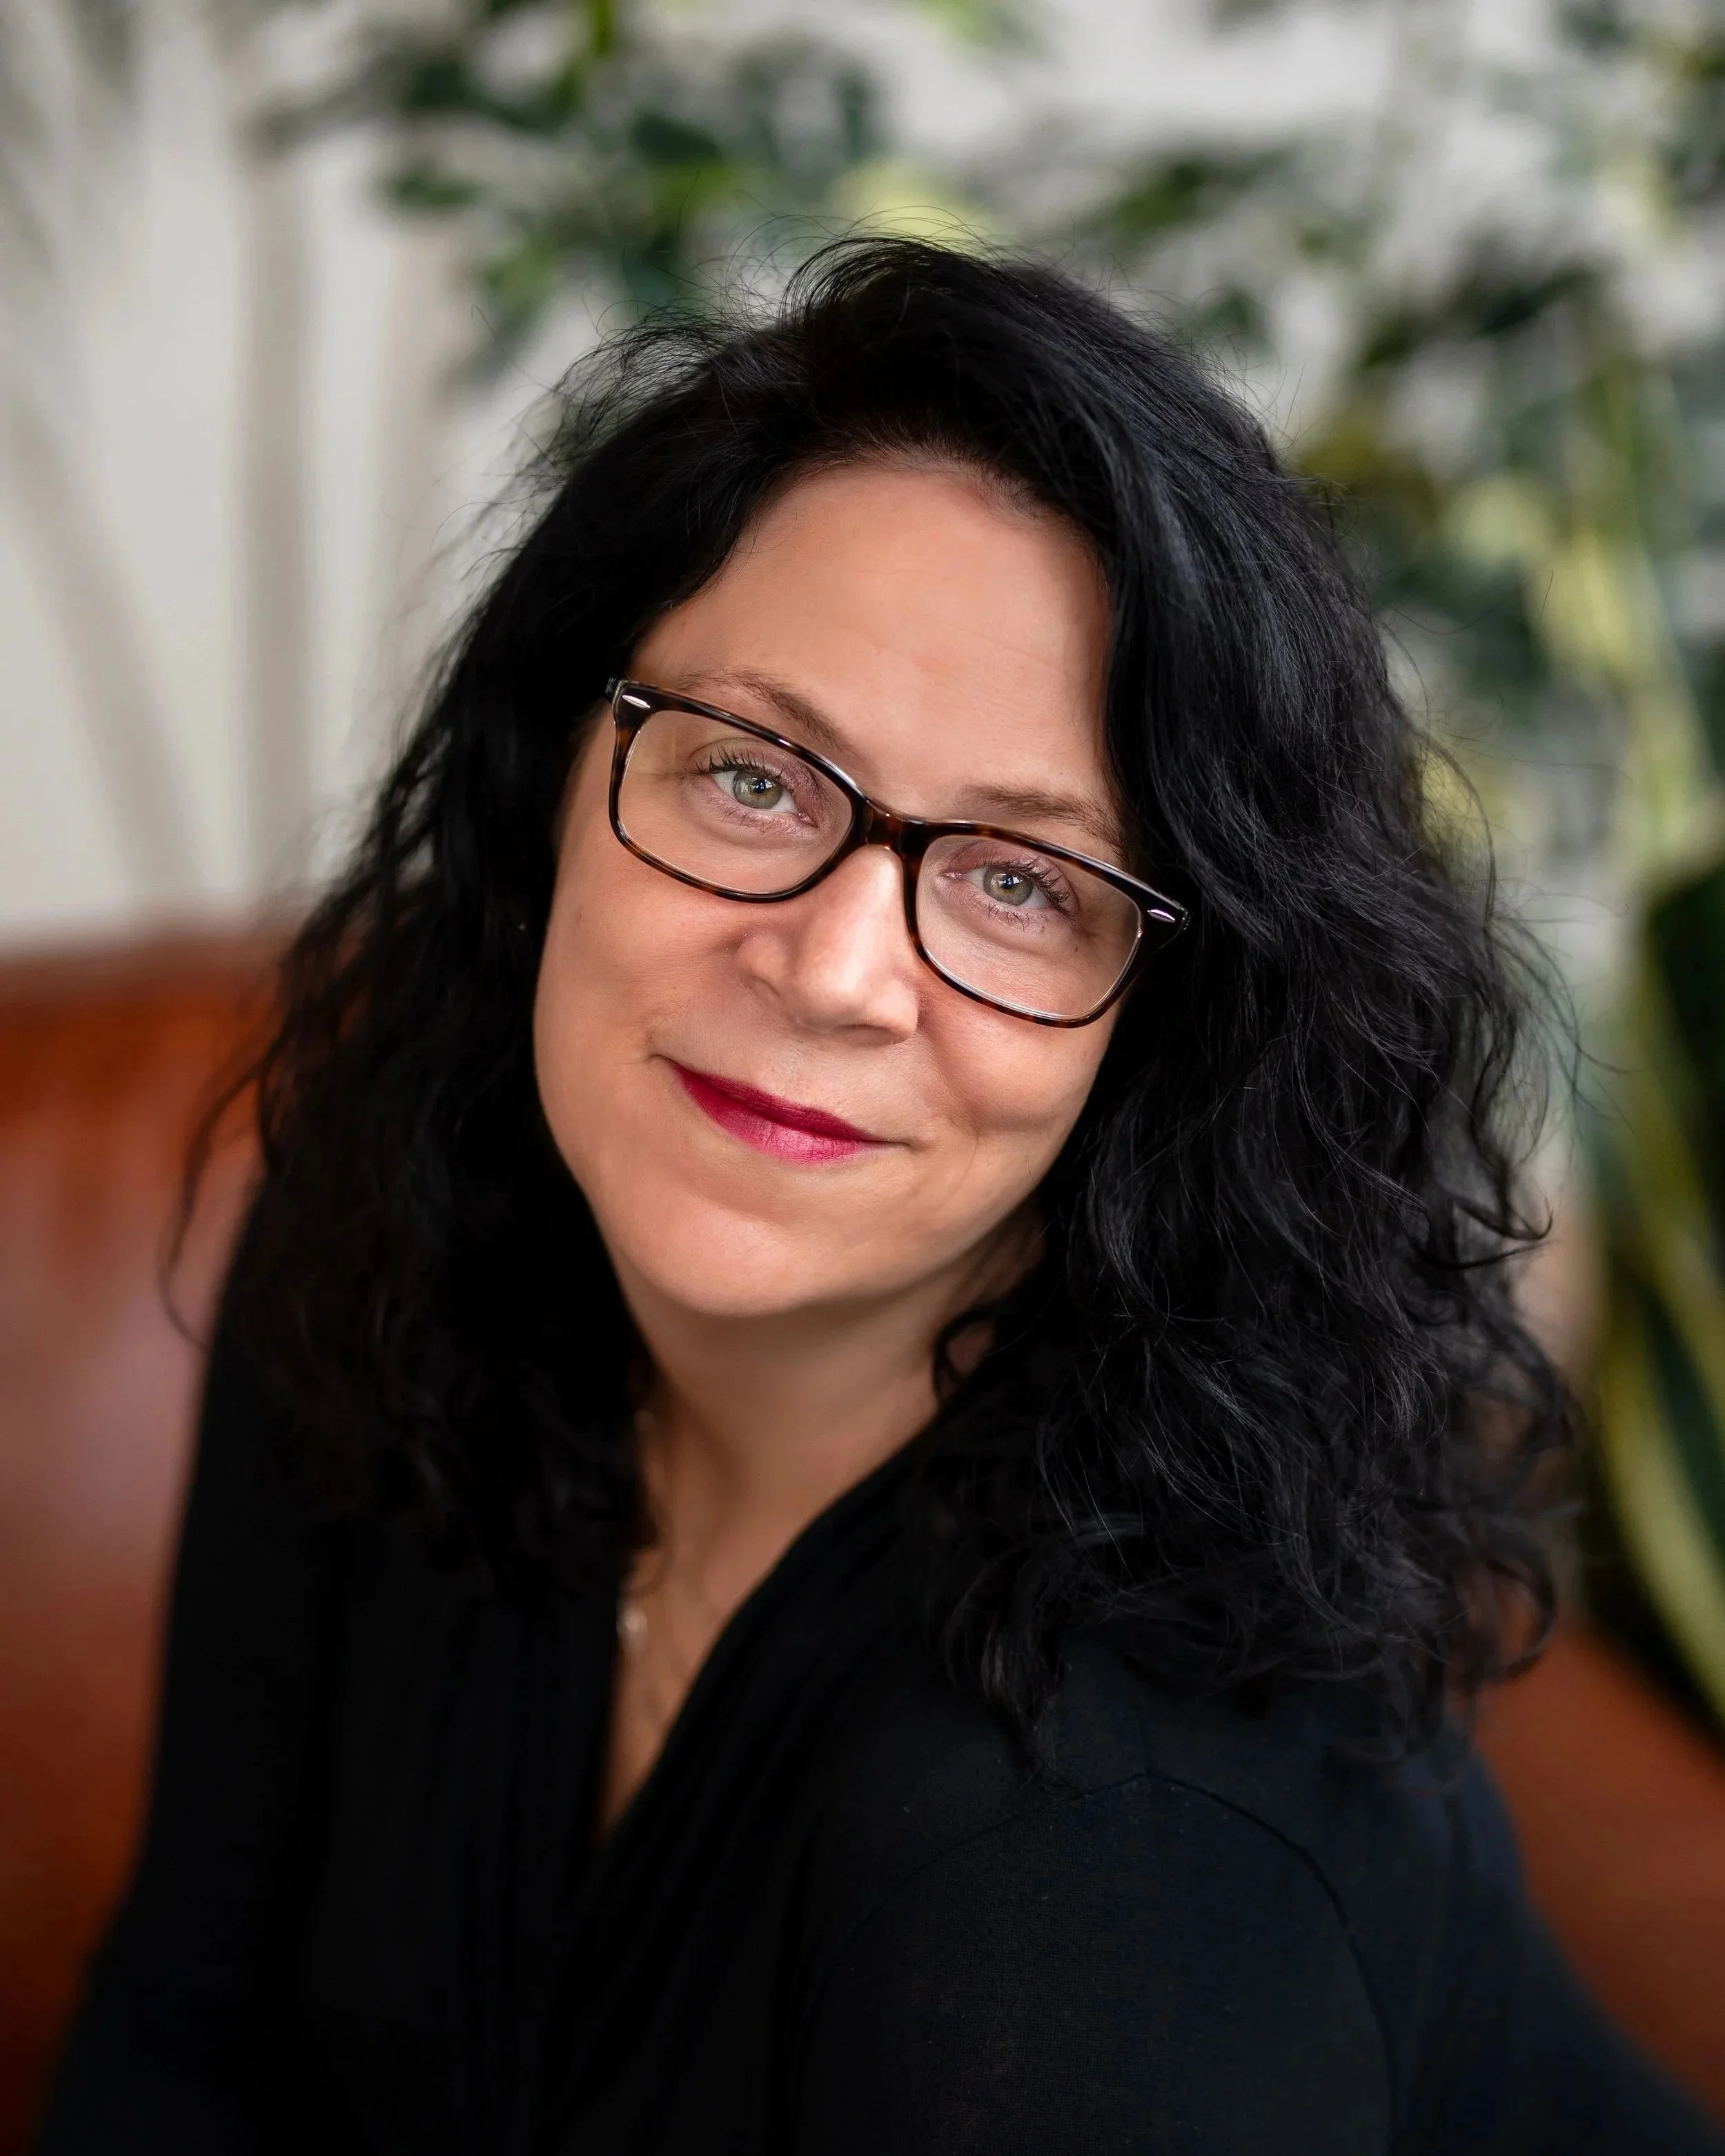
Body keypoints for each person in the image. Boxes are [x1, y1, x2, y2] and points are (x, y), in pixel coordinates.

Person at [37, 240, 1722, 2156]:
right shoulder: (398, 1207)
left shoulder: (1093, 1885)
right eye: (755, 777)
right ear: (554, 770)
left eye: (1023, 882)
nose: (835, 967)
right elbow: (189, 2031)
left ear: (1158, 1038)